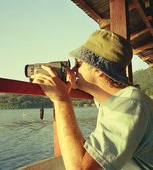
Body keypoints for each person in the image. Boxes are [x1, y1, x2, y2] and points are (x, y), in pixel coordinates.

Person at [31, 29, 153, 170]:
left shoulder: (130, 103)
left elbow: (81, 168)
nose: (74, 69)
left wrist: (61, 100)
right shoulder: (110, 100)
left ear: (98, 69)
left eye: (79, 64)